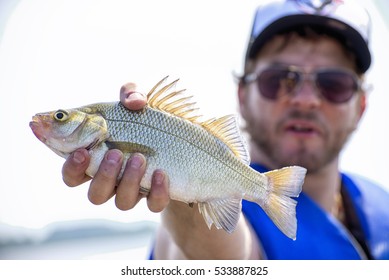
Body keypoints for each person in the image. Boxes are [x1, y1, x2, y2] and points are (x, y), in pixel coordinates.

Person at [61, 0, 389, 259]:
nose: (305, 100)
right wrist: (178, 190)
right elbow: (206, 256)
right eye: (278, 80)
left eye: (334, 84)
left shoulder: (381, 208)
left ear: (361, 106)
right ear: (242, 95)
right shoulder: (238, 216)